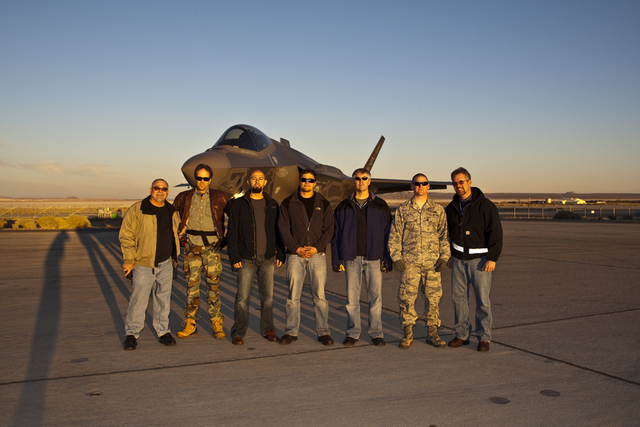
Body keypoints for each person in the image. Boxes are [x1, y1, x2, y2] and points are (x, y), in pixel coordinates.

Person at [331, 168, 392, 347]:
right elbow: (336, 235)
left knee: (375, 297)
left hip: (373, 258)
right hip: (351, 259)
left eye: (364, 178)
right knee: (352, 299)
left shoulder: (380, 205)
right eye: (357, 178)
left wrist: (387, 257)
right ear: (353, 181)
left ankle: (376, 333)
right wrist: (336, 259)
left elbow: (388, 233)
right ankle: (353, 332)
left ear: (369, 181)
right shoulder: (343, 206)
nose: (360, 181)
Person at [389, 173, 450, 349]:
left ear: (428, 186)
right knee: (407, 297)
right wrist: (397, 257)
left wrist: (444, 257)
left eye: (423, 183)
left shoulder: (438, 210)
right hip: (410, 263)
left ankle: (432, 333)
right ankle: (408, 333)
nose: (420, 186)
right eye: (417, 183)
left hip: (432, 263)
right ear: (412, 186)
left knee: (433, 298)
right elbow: (395, 235)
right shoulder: (403, 210)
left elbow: (444, 235)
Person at [446, 167, 503, 352]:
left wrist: (492, 258)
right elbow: (447, 233)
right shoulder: (452, 207)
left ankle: (484, 337)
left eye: (461, 182)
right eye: (455, 183)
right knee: (459, 299)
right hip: (457, 260)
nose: (458, 186)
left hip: (479, 261)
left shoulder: (486, 206)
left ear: (469, 182)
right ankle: (462, 334)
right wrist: (448, 254)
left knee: (482, 300)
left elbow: (496, 233)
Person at [120, 179, 181, 350]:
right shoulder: (138, 209)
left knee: (163, 299)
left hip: (166, 263)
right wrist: (130, 260)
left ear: (168, 192)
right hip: (143, 263)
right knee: (138, 299)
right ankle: (131, 333)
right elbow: (126, 235)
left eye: (163, 189)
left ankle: (163, 331)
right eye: (157, 188)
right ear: (150, 190)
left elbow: (175, 233)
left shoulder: (172, 211)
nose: (160, 191)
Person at [227, 170, 285, 345]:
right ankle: (238, 331)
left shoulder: (272, 204)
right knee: (242, 298)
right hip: (246, 258)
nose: (257, 181)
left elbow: (277, 230)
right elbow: (232, 231)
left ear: (265, 182)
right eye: (254, 179)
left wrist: (280, 252)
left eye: (260, 179)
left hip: (267, 257)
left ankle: (268, 328)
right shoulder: (238, 204)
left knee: (267, 297)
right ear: (248, 182)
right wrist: (234, 255)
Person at [278, 169, 335, 346]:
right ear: (300, 182)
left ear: (315, 183)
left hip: (317, 255)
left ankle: (323, 332)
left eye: (310, 180)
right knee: (293, 296)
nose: (307, 183)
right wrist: (296, 248)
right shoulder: (288, 203)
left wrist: (316, 248)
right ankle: (291, 331)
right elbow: (283, 228)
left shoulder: (323, 203)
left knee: (320, 296)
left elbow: (329, 230)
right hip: (295, 256)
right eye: (304, 180)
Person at [173, 164, 229, 340]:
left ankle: (216, 321)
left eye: (205, 178)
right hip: (192, 247)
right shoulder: (183, 197)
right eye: (199, 178)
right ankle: (191, 322)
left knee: (213, 287)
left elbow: (231, 220)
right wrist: (178, 239)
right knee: (192, 288)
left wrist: (225, 241)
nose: (202, 181)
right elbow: (174, 220)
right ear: (195, 179)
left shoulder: (220, 197)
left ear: (210, 180)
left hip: (212, 247)